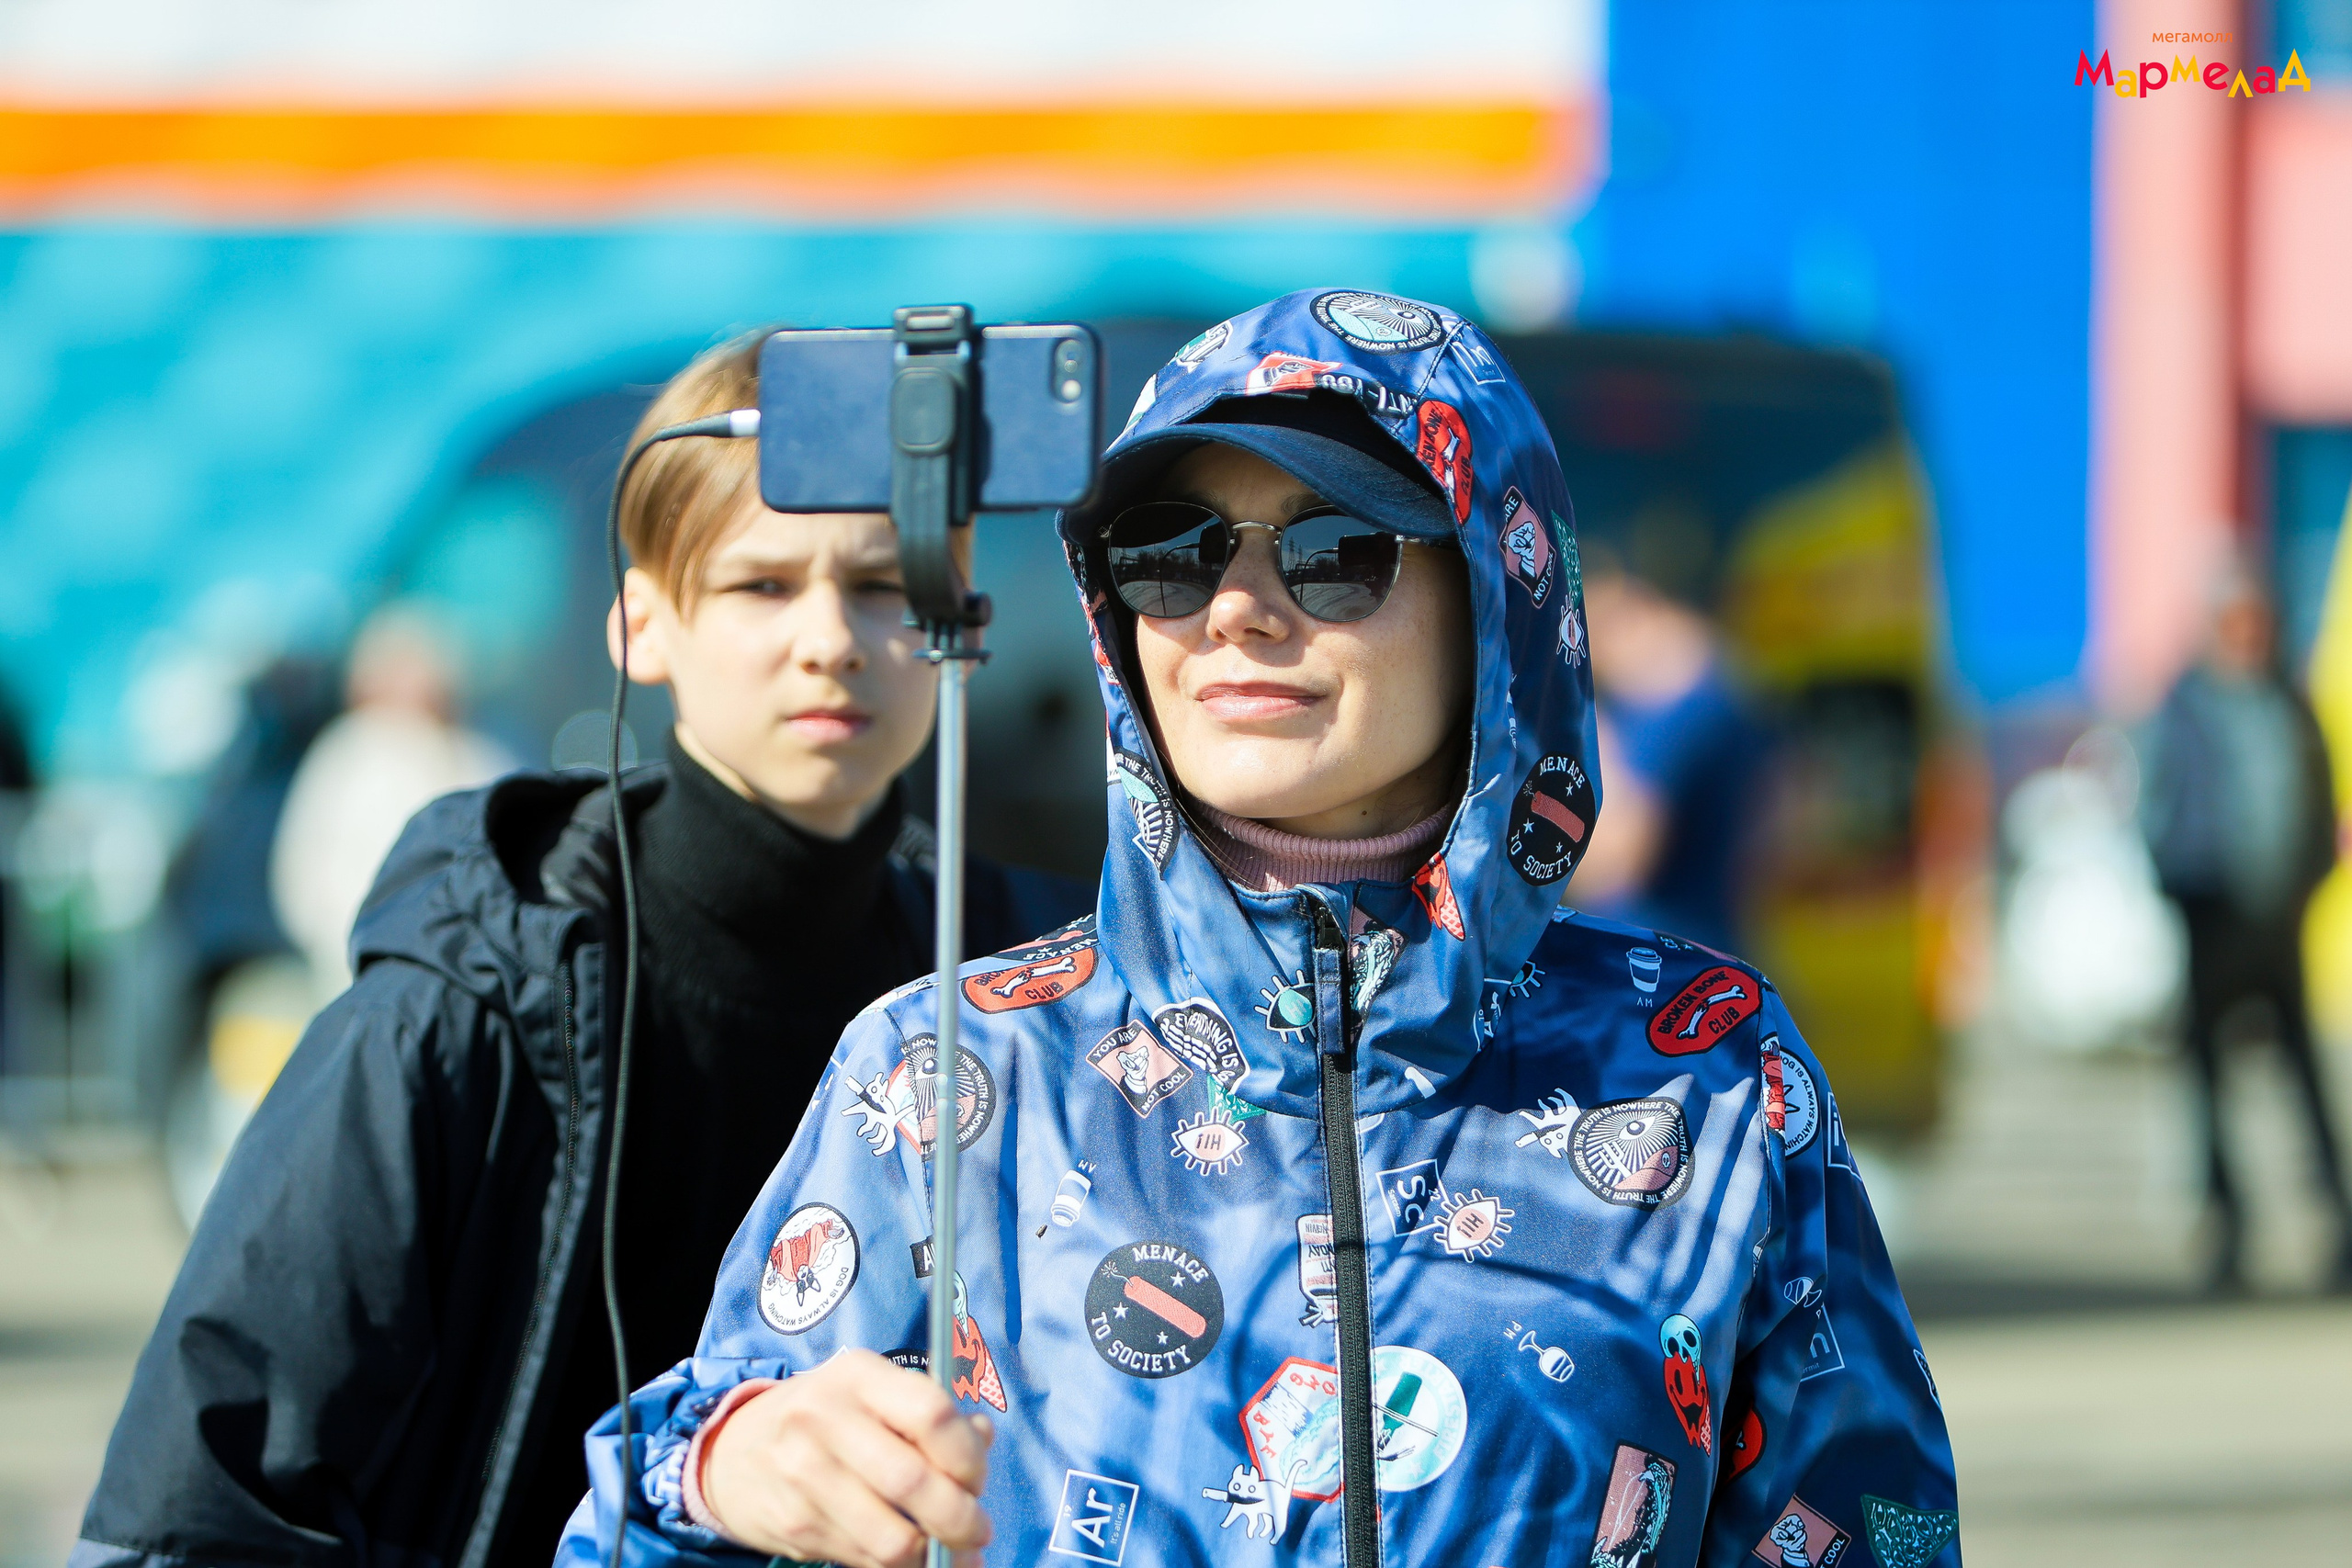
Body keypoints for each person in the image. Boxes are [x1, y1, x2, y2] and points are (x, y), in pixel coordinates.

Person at [563, 292, 1956, 1568]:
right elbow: (637, 1528)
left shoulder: (1705, 1071)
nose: (1234, 607)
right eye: (1166, 554)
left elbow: (1872, 1535)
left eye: (1334, 550)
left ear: (1493, 596)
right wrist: (721, 1470)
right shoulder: (943, 1069)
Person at [71, 334, 1086, 1568]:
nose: (829, 637)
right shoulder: (474, 992)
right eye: (760, 586)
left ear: (960, 620)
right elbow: (203, 1503)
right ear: (640, 624)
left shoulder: (1026, 990)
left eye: (884, 586)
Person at [2140, 568, 2352, 1291]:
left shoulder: (2288, 703)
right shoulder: (2186, 706)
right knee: (2208, 1083)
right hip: (2211, 910)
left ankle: (2338, 1223)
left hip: (2276, 917)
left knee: (2304, 1082)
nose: (2248, 636)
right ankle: (2228, 1227)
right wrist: (2179, 885)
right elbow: (2158, 803)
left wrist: (2303, 884)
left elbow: (2320, 804)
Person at [270, 604, 515, 998]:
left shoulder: (476, 755)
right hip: (379, 972)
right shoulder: (358, 749)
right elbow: (306, 876)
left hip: (412, 976)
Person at [1569, 563, 1765, 954]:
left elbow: (1619, 858)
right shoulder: (1730, 693)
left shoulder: (1674, 713)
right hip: (1708, 939)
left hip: (1657, 958)